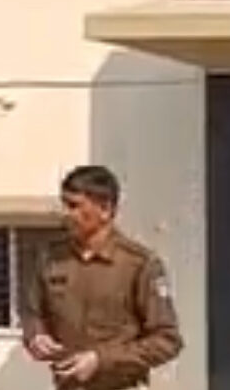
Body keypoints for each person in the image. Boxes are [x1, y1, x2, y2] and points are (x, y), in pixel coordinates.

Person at [20, 165, 183, 390]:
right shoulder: (50, 259)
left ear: (105, 209)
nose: (65, 214)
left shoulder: (139, 264)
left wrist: (100, 360)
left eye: (74, 206)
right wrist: (36, 335)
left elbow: (167, 341)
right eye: (64, 204)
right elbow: (32, 312)